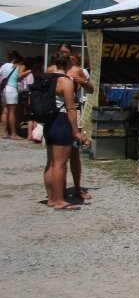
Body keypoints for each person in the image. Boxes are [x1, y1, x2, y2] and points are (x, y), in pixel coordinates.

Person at [42, 52, 88, 210]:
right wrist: (76, 131)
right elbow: (70, 108)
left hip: (49, 121)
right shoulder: (65, 81)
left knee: (51, 162)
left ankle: (51, 198)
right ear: (68, 65)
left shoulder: (48, 78)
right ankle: (59, 200)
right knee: (60, 164)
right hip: (61, 121)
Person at [1, 51, 25, 139]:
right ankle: (13, 133)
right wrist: (28, 71)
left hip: (4, 89)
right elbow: (19, 77)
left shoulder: (3, 66)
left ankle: (4, 132)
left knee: (4, 111)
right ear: (15, 58)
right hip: (12, 89)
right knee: (12, 112)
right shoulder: (17, 66)